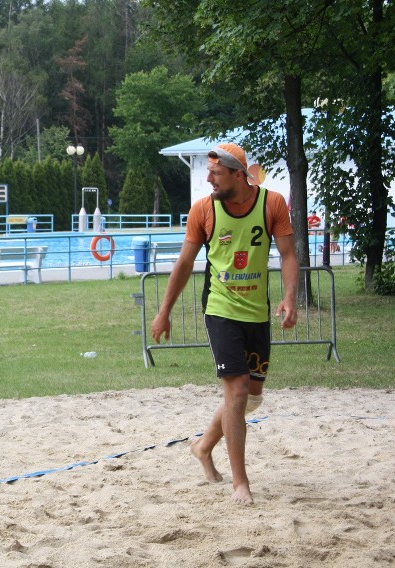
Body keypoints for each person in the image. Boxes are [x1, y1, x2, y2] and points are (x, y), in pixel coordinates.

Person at [150, 142, 298, 505]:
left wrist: (290, 298)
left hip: (257, 312)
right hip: (220, 309)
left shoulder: (272, 203)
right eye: (208, 172)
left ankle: (202, 446)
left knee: (251, 399)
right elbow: (184, 263)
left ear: (238, 174)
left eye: (215, 174)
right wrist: (164, 311)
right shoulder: (203, 210)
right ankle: (240, 484)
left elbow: (289, 254)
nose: (208, 179)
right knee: (236, 392)